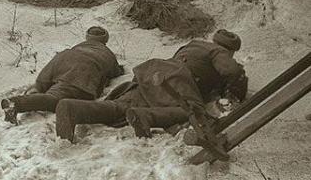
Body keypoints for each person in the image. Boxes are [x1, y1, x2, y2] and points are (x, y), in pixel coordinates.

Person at [55, 29, 247, 142]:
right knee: (192, 111)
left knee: (122, 106)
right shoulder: (217, 52)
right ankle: (146, 116)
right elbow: (231, 71)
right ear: (230, 50)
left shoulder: (194, 44)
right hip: (179, 81)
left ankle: (73, 109)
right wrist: (238, 82)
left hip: (153, 73)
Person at [1, 26, 123, 125]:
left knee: (52, 95)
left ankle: (31, 97)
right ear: (105, 40)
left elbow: (48, 71)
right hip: (82, 84)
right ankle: (16, 103)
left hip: (62, 74)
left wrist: (39, 85)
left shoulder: (71, 51)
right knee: (55, 100)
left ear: (87, 38)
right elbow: (115, 72)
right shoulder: (108, 55)